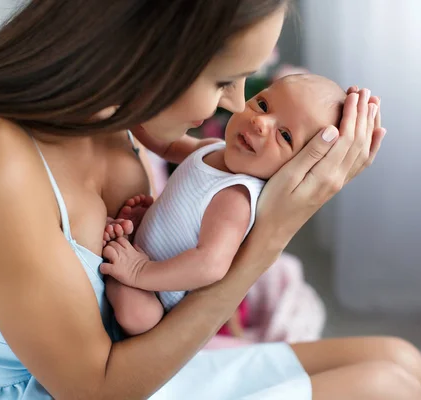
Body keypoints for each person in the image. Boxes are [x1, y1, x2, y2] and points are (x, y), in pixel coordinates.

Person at [0, 1, 421, 399]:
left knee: (403, 360)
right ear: (150, 51)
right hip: (94, 390)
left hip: (139, 374)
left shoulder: (116, 120)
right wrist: (271, 236)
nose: (236, 104)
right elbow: (94, 391)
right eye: (224, 81)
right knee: (387, 389)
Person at [101, 74, 347, 336]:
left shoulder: (235, 197)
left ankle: (119, 265)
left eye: (285, 136)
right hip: (146, 252)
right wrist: (127, 115)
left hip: (159, 292)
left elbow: (210, 264)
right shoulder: (214, 149)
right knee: (126, 219)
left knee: (138, 316)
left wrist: (141, 272)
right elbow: (168, 144)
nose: (260, 122)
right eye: (263, 105)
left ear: (297, 168)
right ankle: (127, 244)